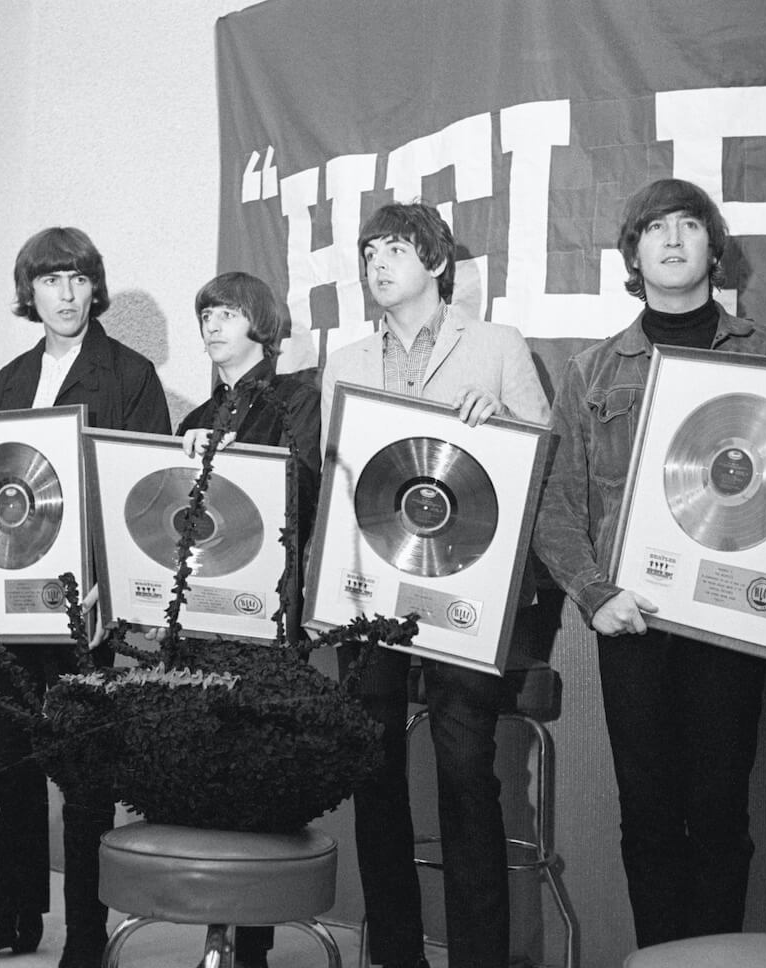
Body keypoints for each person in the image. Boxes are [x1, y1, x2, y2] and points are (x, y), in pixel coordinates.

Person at [531, 179, 766, 948]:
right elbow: (555, 504)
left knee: (721, 816)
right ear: (633, 254)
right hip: (632, 623)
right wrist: (595, 593)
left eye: (689, 226)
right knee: (645, 814)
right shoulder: (593, 371)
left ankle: (716, 964)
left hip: (732, 625)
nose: (673, 239)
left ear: (714, 247)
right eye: (655, 229)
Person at [320, 200, 549, 968]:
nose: (377, 263)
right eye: (369, 251)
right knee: (374, 772)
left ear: (437, 262)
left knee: (463, 769)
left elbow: (540, 460)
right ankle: (395, 954)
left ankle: (478, 957)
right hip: (371, 595)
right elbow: (336, 481)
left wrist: (509, 424)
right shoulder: (346, 361)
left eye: (395, 249)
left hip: (468, 597)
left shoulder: (496, 345)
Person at [0, 227, 170, 968]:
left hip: (85, 619)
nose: (66, 294)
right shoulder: (10, 380)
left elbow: (148, 499)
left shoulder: (130, 374)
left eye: (77, 279)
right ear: (30, 293)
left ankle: (84, 933)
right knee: (12, 777)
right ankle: (14, 918)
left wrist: (118, 589)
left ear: (92, 287)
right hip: (7, 611)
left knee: (84, 784)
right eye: (50, 281)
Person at [174, 270, 322, 968]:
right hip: (201, 619)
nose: (214, 323)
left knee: (259, 779)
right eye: (206, 313)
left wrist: (229, 463)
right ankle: (215, 936)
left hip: (269, 617)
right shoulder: (190, 423)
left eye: (229, 312)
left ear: (262, 323)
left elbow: (308, 490)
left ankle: (251, 949)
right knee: (205, 775)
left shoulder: (299, 398)